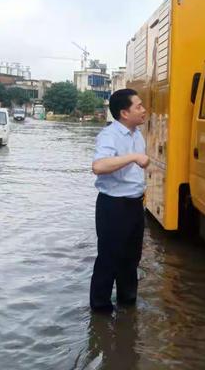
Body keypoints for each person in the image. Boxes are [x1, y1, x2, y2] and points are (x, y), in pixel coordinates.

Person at [90, 89, 149, 312]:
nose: (144, 110)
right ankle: (100, 311)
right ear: (124, 113)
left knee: (131, 259)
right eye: (139, 106)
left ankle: (127, 304)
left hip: (134, 205)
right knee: (109, 260)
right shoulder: (110, 135)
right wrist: (133, 157)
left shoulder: (137, 134)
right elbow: (98, 166)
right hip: (113, 206)